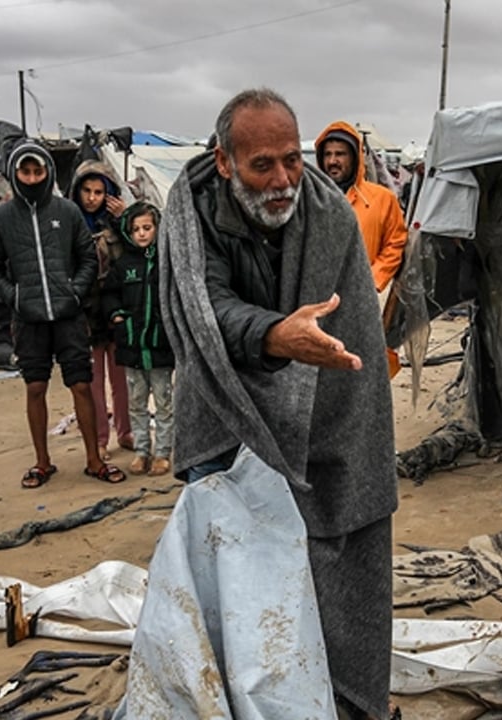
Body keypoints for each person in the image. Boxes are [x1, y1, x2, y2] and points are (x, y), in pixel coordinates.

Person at [160, 88, 397, 720]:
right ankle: (235, 694)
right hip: (220, 407)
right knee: (231, 562)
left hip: (327, 408)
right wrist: (273, 336)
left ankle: (342, 698)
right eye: (263, 164)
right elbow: (205, 311)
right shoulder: (190, 218)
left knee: (338, 553)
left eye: (293, 159)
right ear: (224, 162)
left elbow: (353, 340)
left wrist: (304, 348)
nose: (283, 179)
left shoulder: (332, 218)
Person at [0, 140, 126, 487]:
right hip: (28, 319)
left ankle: (94, 460)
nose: (31, 178)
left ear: (46, 172)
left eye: (38, 170)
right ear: (15, 174)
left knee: (81, 385)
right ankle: (43, 463)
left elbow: (87, 258)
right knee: (35, 387)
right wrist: (15, 297)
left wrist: (73, 292)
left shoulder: (67, 212)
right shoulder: (2, 218)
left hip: (68, 316)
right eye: (25, 171)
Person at [101, 202, 174, 477]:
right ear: (128, 232)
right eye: (135, 229)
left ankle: (163, 453)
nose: (142, 234)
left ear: (158, 228)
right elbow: (110, 294)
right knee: (137, 402)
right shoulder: (123, 265)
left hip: (161, 346)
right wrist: (118, 316)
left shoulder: (167, 263)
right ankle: (142, 452)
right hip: (131, 347)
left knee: (165, 402)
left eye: (147, 228)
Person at [69, 160, 134, 460]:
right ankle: (98, 439)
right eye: (87, 190)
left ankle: (126, 432)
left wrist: (124, 218)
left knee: (122, 378)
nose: (92, 197)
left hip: (116, 310)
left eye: (99, 191)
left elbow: (141, 251)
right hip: (85, 313)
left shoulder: (118, 225)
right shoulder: (69, 224)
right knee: (93, 381)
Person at [314, 121, 408, 303]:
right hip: (319, 299)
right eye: (327, 154)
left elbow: (395, 244)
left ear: (355, 157)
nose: (332, 161)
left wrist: (371, 282)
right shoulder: (311, 200)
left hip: (364, 299)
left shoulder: (382, 199)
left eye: (340, 154)